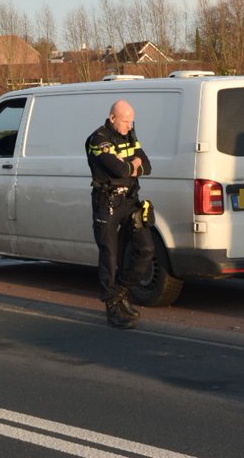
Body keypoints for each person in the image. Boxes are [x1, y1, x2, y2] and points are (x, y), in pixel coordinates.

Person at [85, 99, 154, 329]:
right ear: (112, 118)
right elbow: (120, 169)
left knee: (146, 249)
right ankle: (112, 306)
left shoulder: (130, 135)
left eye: (132, 120)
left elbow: (147, 166)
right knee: (110, 256)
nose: (129, 125)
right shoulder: (98, 139)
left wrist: (132, 165)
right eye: (125, 121)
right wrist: (132, 164)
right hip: (107, 203)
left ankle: (121, 291)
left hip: (130, 201)